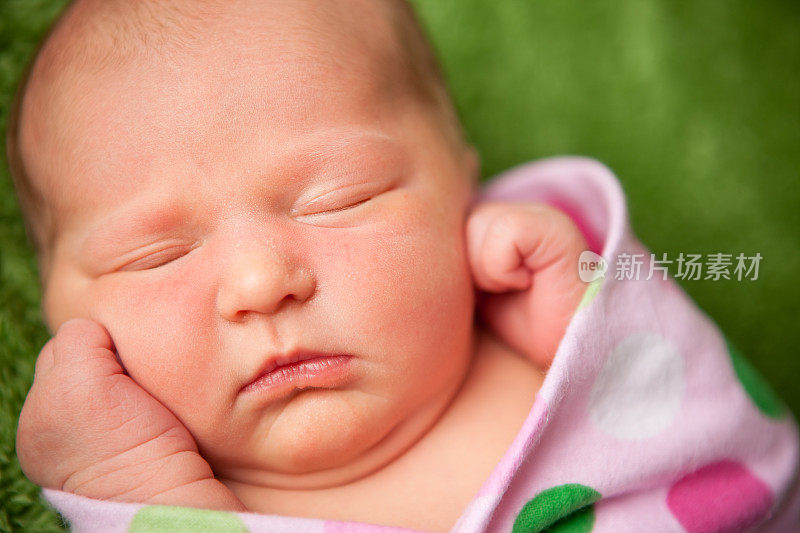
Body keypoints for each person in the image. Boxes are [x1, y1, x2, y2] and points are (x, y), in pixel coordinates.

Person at [8, 1, 799, 531]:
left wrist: (591, 331)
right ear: (56, 308)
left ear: (461, 181)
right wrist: (138, 491)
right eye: (156, 255)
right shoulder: (172, 490)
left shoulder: (546, 324)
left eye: (339, 198)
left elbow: (752, 464)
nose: (259, 282)